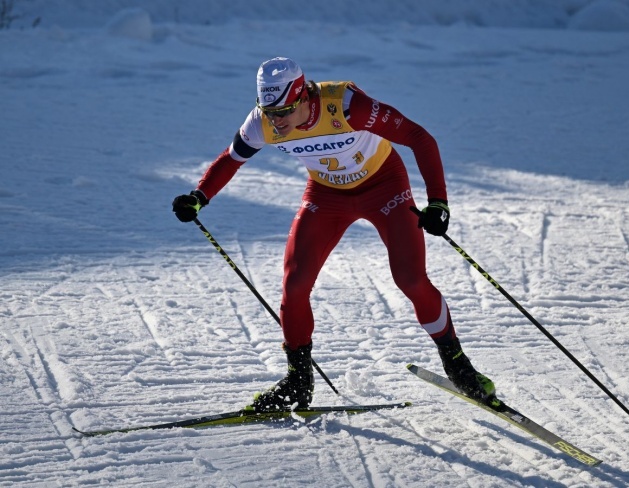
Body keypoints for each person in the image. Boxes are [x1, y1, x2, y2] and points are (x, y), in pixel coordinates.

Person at [172, 57, 497, 411]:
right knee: (294, 285)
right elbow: (231, 158)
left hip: (384, 187)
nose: (277, 121)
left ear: (303, 97)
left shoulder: (347, 106)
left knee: (410, 279)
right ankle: (298, 381)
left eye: (284, 112)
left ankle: (458, 364)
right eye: (270, 112)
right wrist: (199, 197)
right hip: (326, 195)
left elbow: (420, 138)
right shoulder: (262, 122)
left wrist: (438, 203)